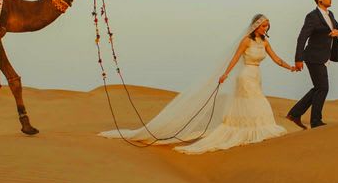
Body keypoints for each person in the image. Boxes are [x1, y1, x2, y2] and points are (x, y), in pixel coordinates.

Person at [99, 14, 298, 154]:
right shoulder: (246, 41)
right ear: (256, 26)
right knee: (254, 102)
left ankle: (254, 130)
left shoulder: (264, 42)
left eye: (267, 26)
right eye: (264, 26)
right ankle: (247, 131)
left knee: (256, 102)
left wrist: (290, 67)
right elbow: (235, 58)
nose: (266, 28)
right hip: (245, 77)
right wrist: (225, 75)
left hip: (256, 76)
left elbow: (276, 58)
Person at [286, 0, 338, 129]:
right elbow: (302, 38)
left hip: (324, 57)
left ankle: (295, 113)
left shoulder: (330, 15)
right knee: (323, 88)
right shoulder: (312, 16)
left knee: (319, 88)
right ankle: (315, 121)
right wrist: (298, 59)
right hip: (313, 57)